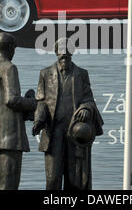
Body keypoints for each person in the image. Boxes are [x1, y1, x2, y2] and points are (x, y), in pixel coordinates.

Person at [32, 38, 104, 190]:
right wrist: (38, 120)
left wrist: (85, 108)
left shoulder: (82, 74)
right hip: (54, 132)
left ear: (72, 53)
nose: (64, 55)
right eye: (61, 53)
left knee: (74, 179)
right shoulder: (45, 73)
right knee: (53, 178)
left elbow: (88, 99)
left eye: (67, 53)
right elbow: (41, 101)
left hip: (75, 132)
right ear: (56, 53)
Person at [0, 32, 37, 190]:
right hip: (10, 138)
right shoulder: (9, 68)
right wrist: (34, 103)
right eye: (14, 49)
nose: (14, 52)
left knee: (6, 185)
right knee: (10, 186)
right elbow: (12, 100)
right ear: (10, 48)